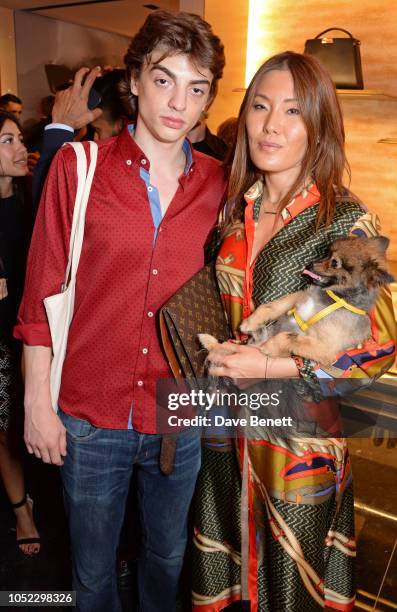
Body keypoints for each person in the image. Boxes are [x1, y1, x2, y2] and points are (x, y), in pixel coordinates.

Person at [15, 10, 226, 612]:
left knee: (167, 559)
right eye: (164, 80)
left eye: (196, 86)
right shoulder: (77, 169)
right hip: (89, 410)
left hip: (178, 413)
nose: (178, 102)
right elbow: (40, 296)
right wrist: (36, 405)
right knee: (92, 571)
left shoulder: (221, 183)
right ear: (134, 80)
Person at [191, 51, 397, 611]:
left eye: (292, 111)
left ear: (319, 125)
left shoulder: (347, 220)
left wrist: (272, 366)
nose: (271, 125)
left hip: (299, 439)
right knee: (226, 572)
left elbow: (377, 346)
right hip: (224, 432)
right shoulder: (237, 209)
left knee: (290, 587)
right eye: (260, 107)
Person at [0, 111, 40, 555]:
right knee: (6, 426)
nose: (18, 150)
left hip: (31, 333)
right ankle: (20, 510)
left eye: (17, 138)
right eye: (6, 141)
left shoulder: (32, 196)